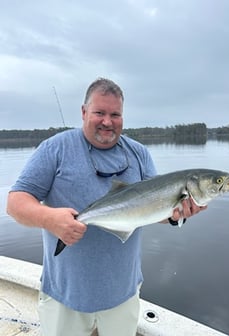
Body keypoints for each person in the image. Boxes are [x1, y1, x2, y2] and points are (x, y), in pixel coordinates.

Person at [7, 78, 206, 336]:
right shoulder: (55, 148)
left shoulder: (139, 153)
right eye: (99, 112)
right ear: (83, 112)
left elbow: (151, 209)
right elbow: (15, 202)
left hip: (122, 294)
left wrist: (174, 216)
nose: (107, 121)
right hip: (65, 296)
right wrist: (49, 218)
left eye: (115, 114)